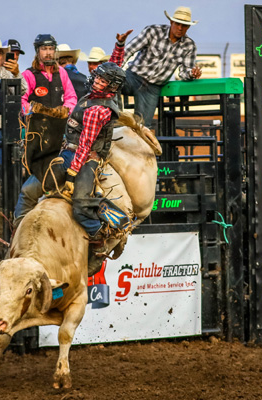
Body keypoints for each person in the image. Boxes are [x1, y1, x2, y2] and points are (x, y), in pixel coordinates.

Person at [57, 30, 133, 274]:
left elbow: (86, 143)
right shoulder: (102, 89)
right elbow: (115, 67)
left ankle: (99, 233)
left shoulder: (97, 109)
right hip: (74, 145)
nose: (95, 79)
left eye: (101, 80)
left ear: (109, 86)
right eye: (97, 76)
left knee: (80, 204)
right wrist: (119, 44)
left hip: (86, 154)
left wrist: (71, 172)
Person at [13, 34, 78, 226]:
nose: (48, 52)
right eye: (44, 49)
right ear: (37, 51)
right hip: (38, 135)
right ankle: (19, 225)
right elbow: (22, 100)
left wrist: (66, 110)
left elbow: (71, 97)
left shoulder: (62, 74)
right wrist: (34, 111)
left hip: (60, 133)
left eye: (51, 48)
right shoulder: (29, 75)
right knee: (34, 174)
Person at [122, 6, 202, 128]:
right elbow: (128, 50)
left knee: (142, 127)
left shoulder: (189, 46)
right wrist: (116, 69)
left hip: (152, 87)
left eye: (184, 25)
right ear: (171, 22)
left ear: (188, 27)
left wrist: (192, 74)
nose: (180, 28)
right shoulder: (153, 31)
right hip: (133, 77)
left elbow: (184, 72)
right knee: (112, 83)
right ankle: (112, 118)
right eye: (178, 24)